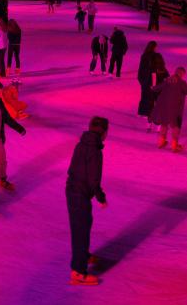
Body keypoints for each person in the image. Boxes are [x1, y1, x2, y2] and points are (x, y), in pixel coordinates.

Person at [66, 116, 109, 286]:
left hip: (75, 190)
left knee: (84, 225)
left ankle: (83, 255)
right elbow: (93, 180)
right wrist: (101, 197)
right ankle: (78, 272)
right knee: (80, 230)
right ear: (104, 132)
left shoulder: (82, 143)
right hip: (78, 192)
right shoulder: (94, 150)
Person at [150, 67, 187, 152]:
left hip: (163, 106)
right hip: (175, 108)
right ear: (182, 74)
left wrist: (152, 88)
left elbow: (157, 88)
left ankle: (161, 142)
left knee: (164, 123)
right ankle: (174, 145)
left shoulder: (168, 80)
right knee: (175, 126)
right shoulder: (181, 83)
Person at [137, 41, 159, 131]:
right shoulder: (155, 56)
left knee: (147, 101)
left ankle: (147, 120)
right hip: (152, 83)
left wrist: (142, 81)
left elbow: (140, 70)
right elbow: (155, 71)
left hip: (145, 82)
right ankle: (157, 123)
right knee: (154, 102)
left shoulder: (144, 55)